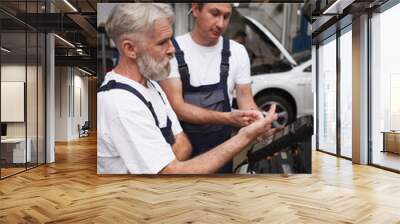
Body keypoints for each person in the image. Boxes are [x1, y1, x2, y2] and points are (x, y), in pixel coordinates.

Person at [97, 3, 277, 174]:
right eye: (162, 43)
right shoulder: (121, 103)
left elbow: (184, 145)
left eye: (226, 16)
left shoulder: (151, 86)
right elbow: (169, 172)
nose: (172, 50)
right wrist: (243, 135)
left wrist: (257, 122)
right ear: (130, 49)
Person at [159, 3, 263, 173]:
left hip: (223, 152)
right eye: (214, 14)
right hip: (184, 155)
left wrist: (258, 120)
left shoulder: (237, 52)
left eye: (226, 16)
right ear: (195, 9)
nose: (220, 24)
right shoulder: (172, 51)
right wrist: (228, 118)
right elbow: (177, 107)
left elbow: (245, 97)